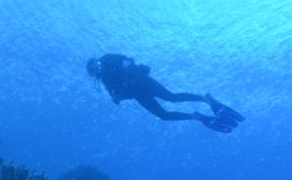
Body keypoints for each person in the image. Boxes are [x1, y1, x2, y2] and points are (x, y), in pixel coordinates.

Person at [86, 53, 244, 133]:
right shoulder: (105, 80)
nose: (98, 71)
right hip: (138, 93)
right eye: (95, 72)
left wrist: (130, 76)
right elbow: (116, 96)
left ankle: (205, 100)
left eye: (96, 68)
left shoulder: (107, 59)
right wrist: (117, 97)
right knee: (164, 115)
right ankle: (197, 116)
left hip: (142, 82)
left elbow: (127, 61)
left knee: (171, 98)